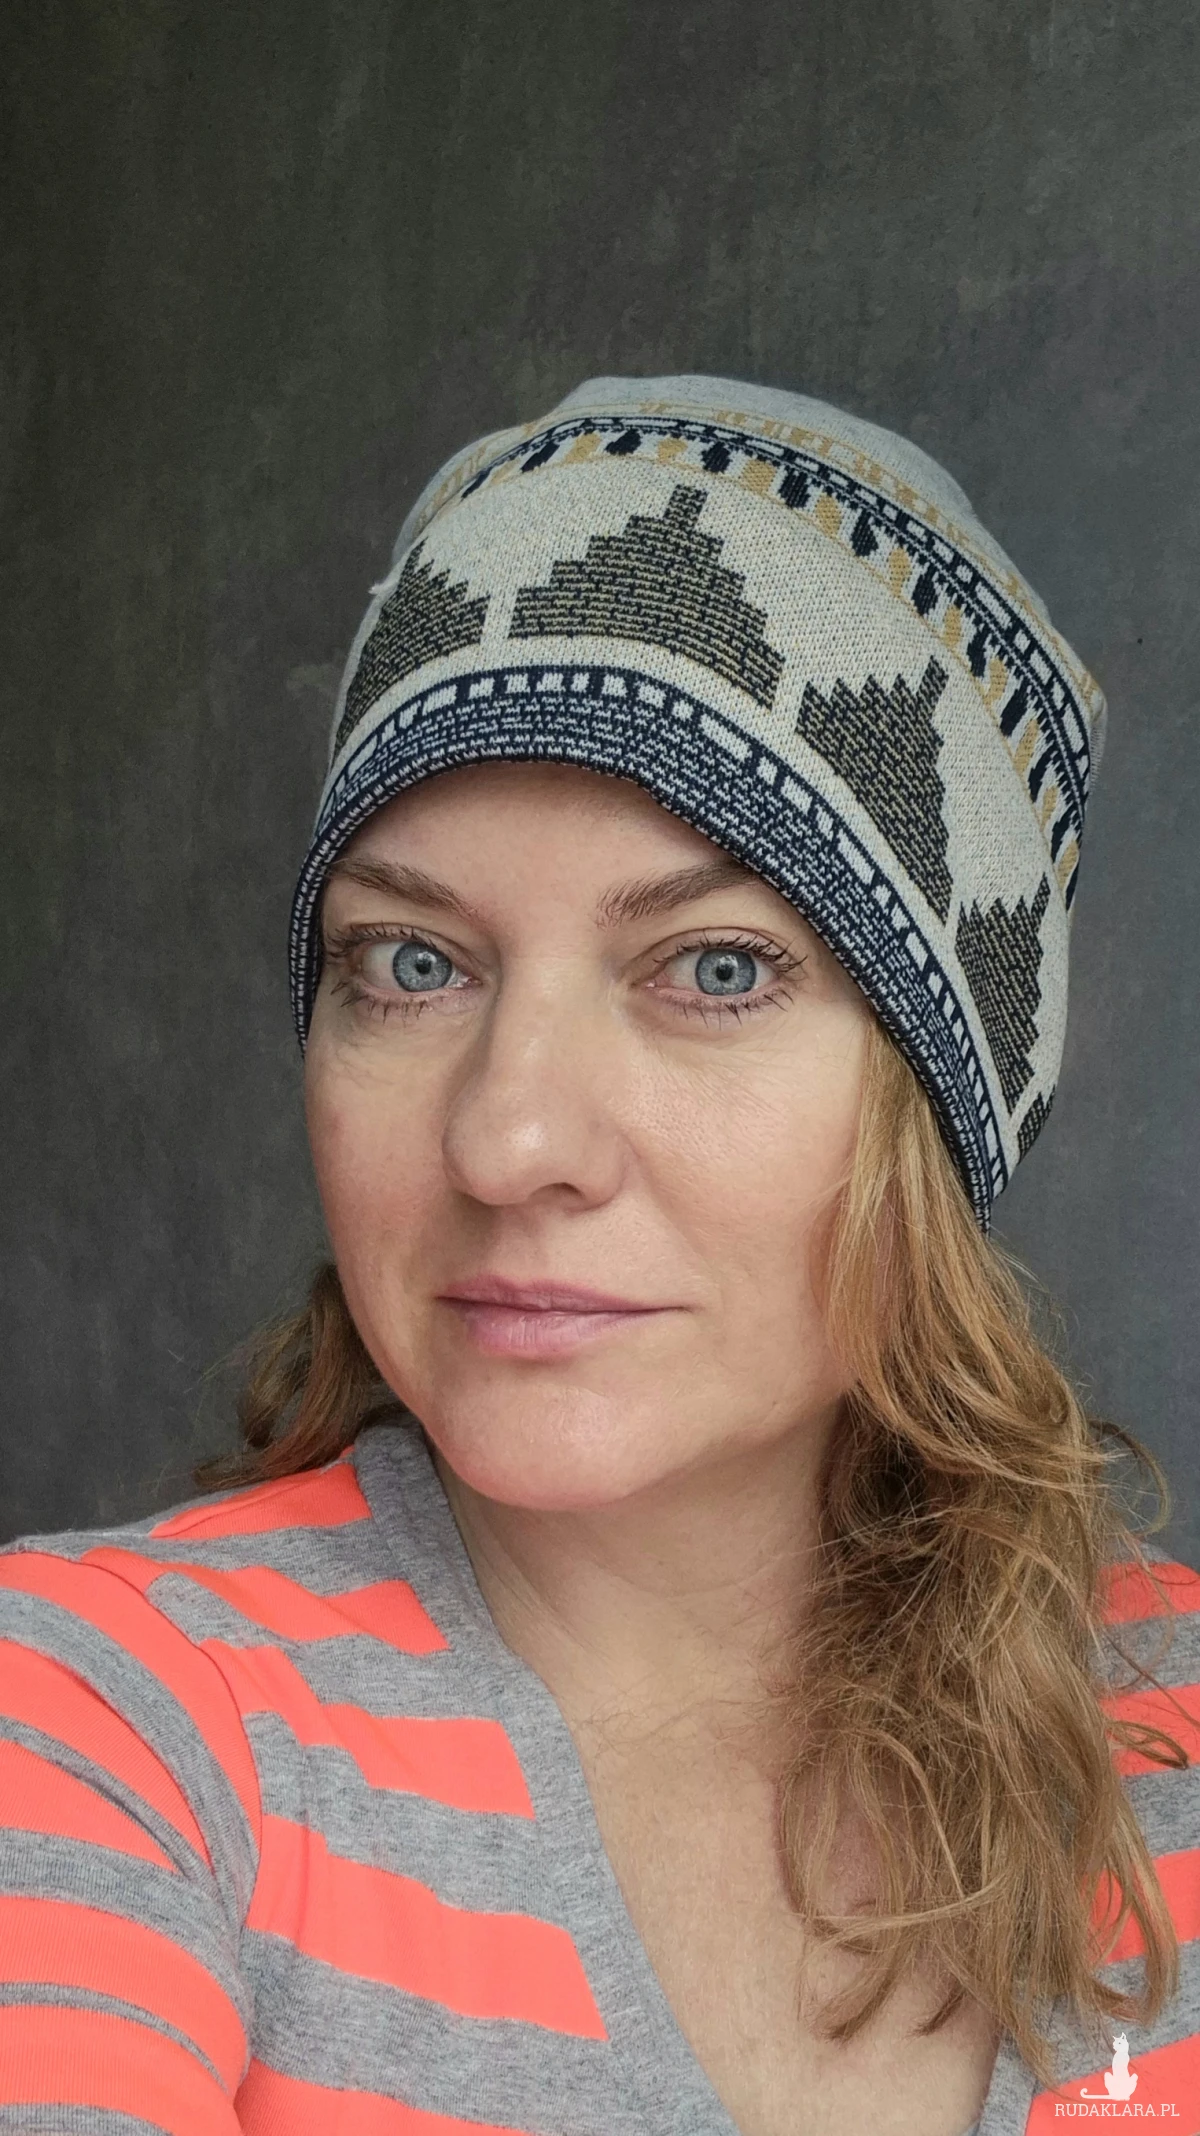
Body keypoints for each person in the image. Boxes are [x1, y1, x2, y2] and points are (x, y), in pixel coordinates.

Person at [0, 373, 1196, 2136]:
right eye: (412, 964)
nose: (508, 1141)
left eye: (715, 969)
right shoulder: (96, 1727)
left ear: (942, 1107)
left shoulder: (1170, 1745)